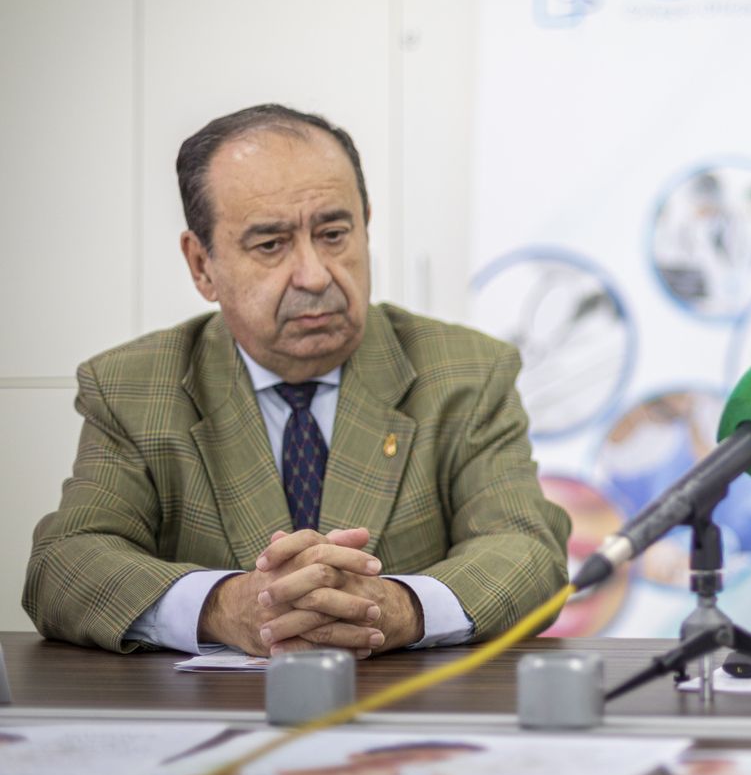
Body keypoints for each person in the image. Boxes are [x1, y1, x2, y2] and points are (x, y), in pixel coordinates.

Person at [24, 105, 571, 657]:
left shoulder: (467, 372)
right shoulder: (133, 387)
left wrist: (394, 608)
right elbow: (66, 564)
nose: (314, 275)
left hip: (403, 715)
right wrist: (225, 605)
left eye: (334, 233)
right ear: (201, 265)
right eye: (270, 245)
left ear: (366, 225)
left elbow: (526, 548)